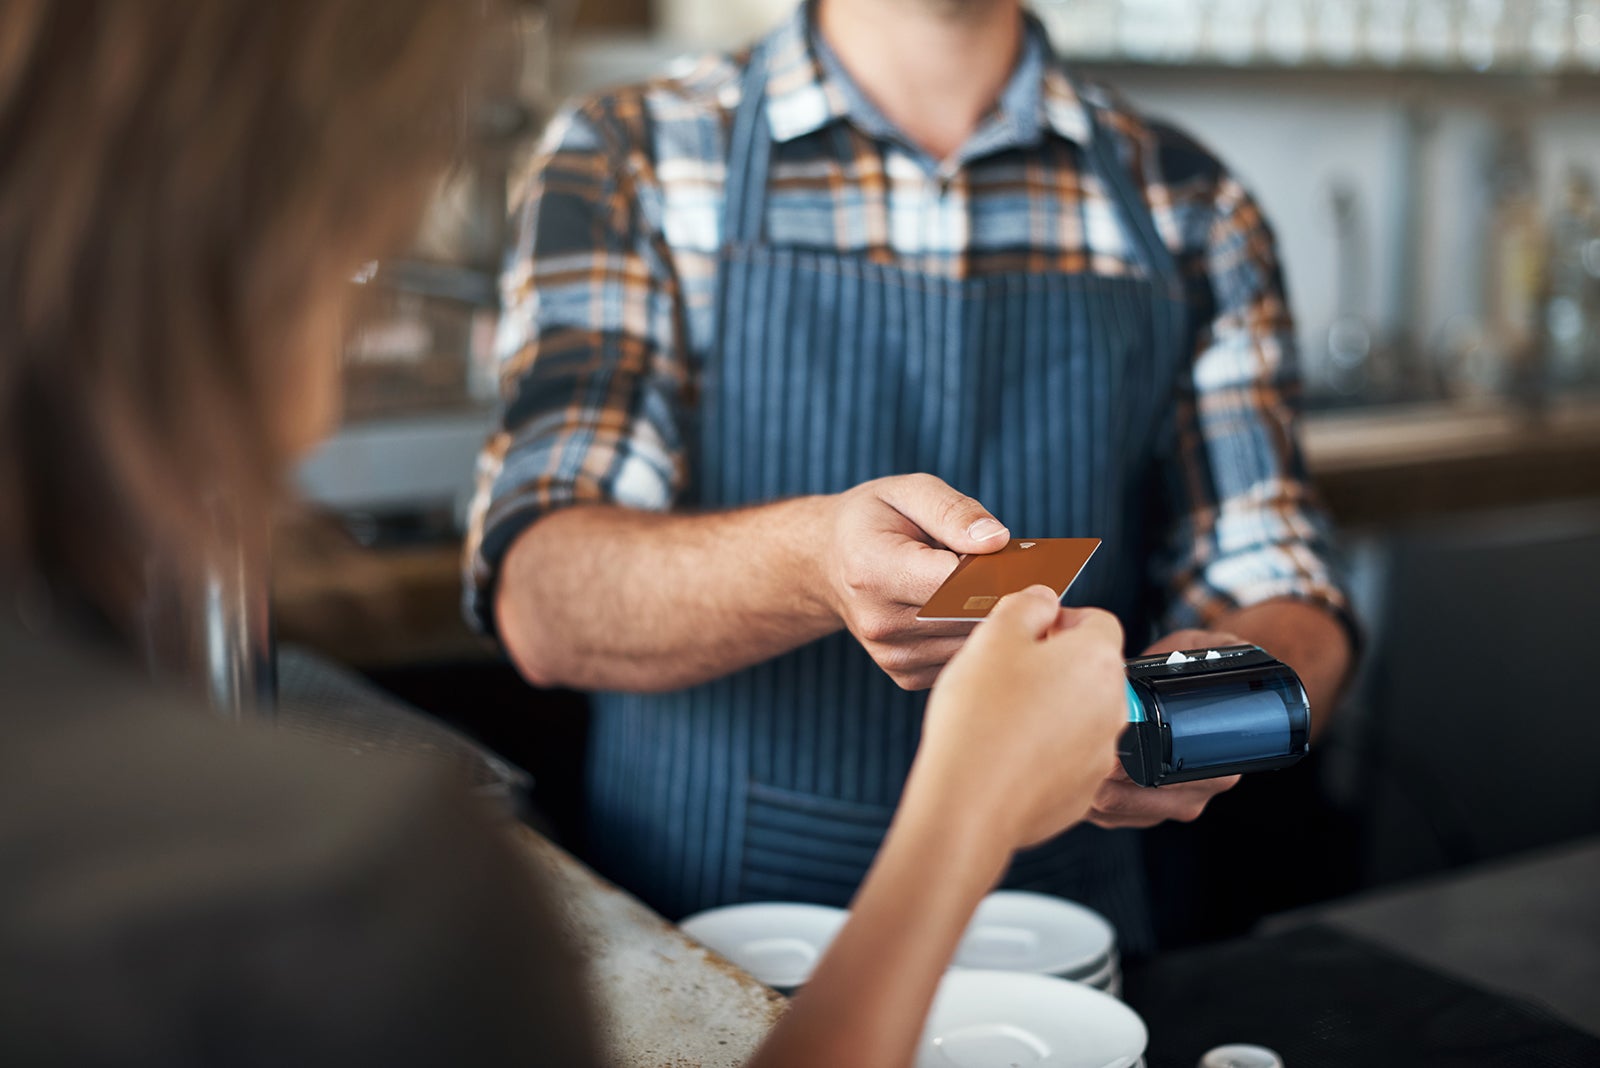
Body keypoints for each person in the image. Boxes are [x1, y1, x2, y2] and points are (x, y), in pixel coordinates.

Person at [0, 2, 1131, 1064]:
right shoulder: (359, 886)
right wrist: (965, 806)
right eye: (368, 252)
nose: (381, 312)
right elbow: (538, 588)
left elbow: (1275, 582)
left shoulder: (1169, 187)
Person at [467, 0, 1357, 953]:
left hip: (1059, 952)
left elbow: (1289, 594)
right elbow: (542, 597)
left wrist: (1194, 720)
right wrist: (812, 564)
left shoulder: (1189, 200)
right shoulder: (631, 157)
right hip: (710, 935)